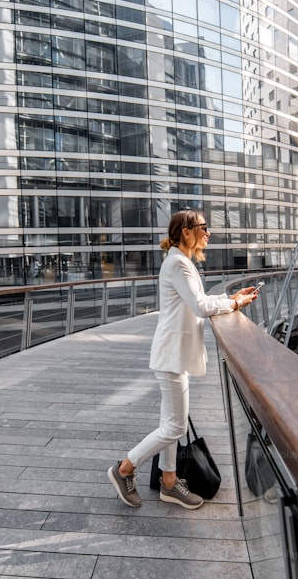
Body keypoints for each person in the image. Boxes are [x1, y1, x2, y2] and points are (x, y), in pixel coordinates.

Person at [108, 210, 258, 509]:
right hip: (171, 355)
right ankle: (124, 468)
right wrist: (234, 303)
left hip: (173, 354)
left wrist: (232, 299)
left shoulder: (180, 261)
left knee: (170, 423)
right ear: (186, 231)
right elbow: (201, 307)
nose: (208, 232)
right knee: (175, 427)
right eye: (203, 227)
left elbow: (197, 302)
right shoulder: (178, 263)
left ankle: (168, 482)